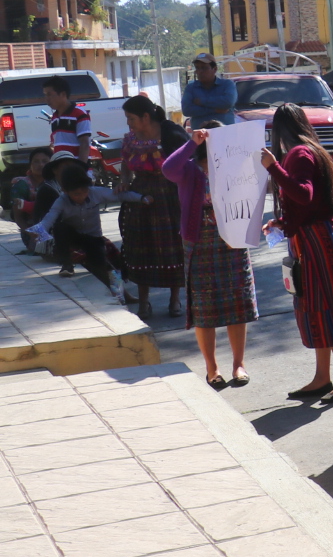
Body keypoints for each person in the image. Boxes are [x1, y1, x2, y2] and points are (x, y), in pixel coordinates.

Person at [264, 104, 333, 404]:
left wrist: (272, 167)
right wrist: (284, 221)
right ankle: (323, 378)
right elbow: (309, 201)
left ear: (280, 130)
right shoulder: (309, 151)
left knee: (327, 307)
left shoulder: (299, 154)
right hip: (313, 238)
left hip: (317, 242)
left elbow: (303, 193)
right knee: (316, 307)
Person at [165, 130, 258, 388]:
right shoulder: (190, 170)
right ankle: (211, 367)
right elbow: (168, 168)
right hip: (200, 241)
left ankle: (239, 364)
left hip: (232, 239)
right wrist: (190, 143)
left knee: (236, 303)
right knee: (204, 308)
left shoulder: (236, 166)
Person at [115, 95, 187, 318]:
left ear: (146, 117)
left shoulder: (171, 134)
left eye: (131, 118)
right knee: (140, 246)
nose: (129, 123)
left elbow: (188, 161)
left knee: (172, 246)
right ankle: (143, 302)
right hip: (140, 197)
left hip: (169, 196)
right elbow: (126, 164)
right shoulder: (130, 139)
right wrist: (124, 180)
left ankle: (175, 300)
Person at [34, 165, 131, 300]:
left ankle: (122, 295)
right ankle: (66, 264)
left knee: (107, 267)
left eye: (84, 192)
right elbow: (49, 219)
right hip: (72, 239)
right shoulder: (57, 197)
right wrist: (38, 233)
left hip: (93, 238)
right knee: (60, 227)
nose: (81, 196)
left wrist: (143, 198)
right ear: (65, 191)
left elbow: (119, 195)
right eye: (76, 194)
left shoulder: (95, 193)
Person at [41, 75, 92, 163]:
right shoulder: (54, 117)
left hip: (76, 169)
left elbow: (85, 144)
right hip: (61, 169)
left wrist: (81, 168)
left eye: (49, 95)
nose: (46, 99)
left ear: (63, 94)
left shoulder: (79, 114)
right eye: (45, 95)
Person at [180, 54, 239, 128]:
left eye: (204, 68)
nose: (200, 71)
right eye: (197, 68)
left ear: (214, 69)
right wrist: (215, 110)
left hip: (225, 133)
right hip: (200, 136)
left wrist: (201, 101)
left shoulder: (227, 85)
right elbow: (187, 110)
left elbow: (228, 102)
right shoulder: (191, 88)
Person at [9, 149, 52, 249]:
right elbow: (18, 216)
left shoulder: (56, 182)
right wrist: (32, 234)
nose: (40, 165)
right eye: (36, 161)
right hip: (31, 230)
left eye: (44, 161)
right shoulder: (21, 184)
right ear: (30, 165)